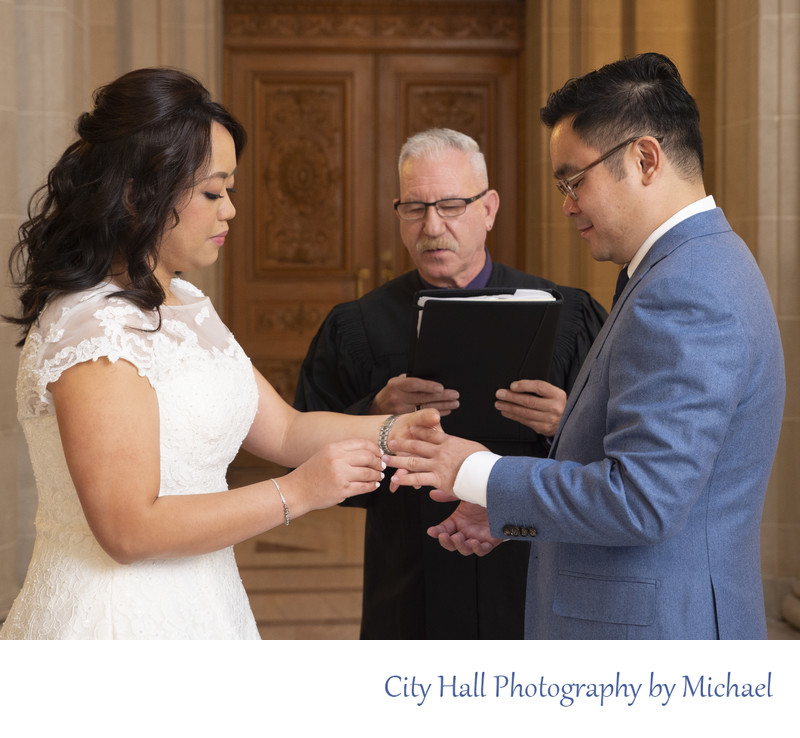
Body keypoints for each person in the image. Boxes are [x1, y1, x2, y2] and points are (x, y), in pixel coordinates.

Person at [0, 67, 418, 640]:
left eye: (231, 191)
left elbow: (289, 432)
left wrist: (396, 433)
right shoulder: (97, 329)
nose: (230, 211)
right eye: (212, 192)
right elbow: (128, 531)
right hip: (115, 622)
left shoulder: (187, 303)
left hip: (204, 604)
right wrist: (296, 493)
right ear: (134, 193)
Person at [386, 53, 786, 639]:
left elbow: (642, 500)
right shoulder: (683, 266)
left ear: (644, 159)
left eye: (574, 180)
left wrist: (475, 471)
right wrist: (511, 513)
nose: (567, 203)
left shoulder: (687, 287)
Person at [294, 127, 607, 639]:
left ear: (488, 209)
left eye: (452, 205)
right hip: (412, 576)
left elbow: (623, 463)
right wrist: (376, 412)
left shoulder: (567, 317)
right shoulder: (358, 327)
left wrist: (565, 422)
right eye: (414, 208)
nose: (432, 226)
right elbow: (303, 454)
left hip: (529, 568)